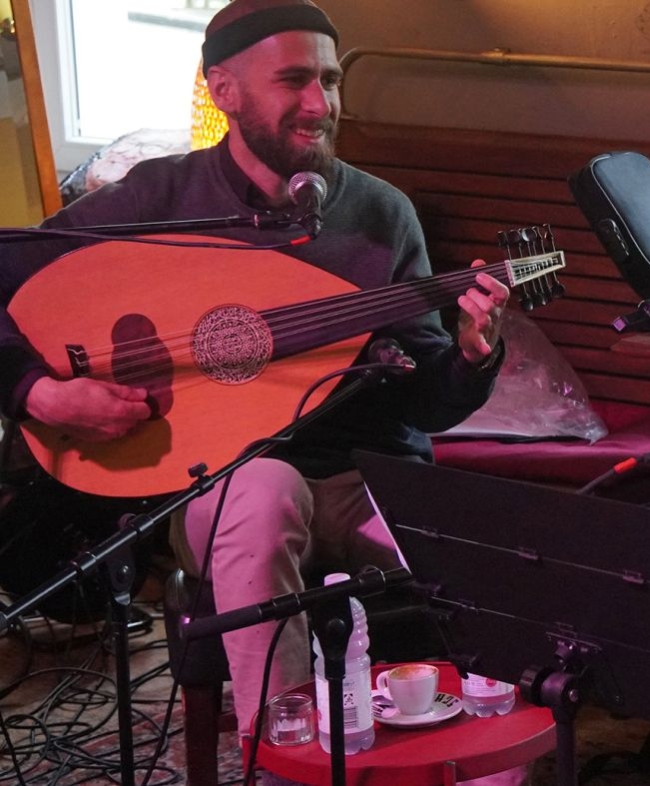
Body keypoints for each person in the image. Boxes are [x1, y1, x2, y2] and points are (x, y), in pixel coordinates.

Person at [0, 0, 509, 750]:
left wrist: (470, 356)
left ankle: (475, 759)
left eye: (330, 81)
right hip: (218, 480)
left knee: (495, 553)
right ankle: (285, 754)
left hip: (365, 477)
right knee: (262, 490)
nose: (320, 104)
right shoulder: (157, 201)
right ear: (223, 90)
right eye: (295, 80)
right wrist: (39, 392)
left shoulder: (379, 214)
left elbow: (425, 401)